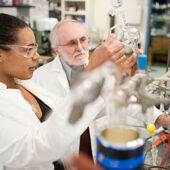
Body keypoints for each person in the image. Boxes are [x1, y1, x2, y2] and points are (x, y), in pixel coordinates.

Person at [0, 13, 124, 170]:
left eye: (35, 48)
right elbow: (38, 147)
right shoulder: (23, 87)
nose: (37, 56)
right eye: (28, 50)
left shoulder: (24, 83)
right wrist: (91, 72)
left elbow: (66, 114)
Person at [32, 20, 139, 165]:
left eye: (83, 40)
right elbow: (58, 119)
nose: (80, 48)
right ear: (57, 50)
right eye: (72, 43)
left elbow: (120, 102)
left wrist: (160, 118)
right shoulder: (39, 78)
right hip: (62, 159)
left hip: (97, 153)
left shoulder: (106, 68)